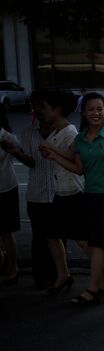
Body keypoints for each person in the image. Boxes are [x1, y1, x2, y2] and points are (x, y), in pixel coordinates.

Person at [43, 93, 104, 305]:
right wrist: (53, 155)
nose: (96, 113)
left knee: (97, 244)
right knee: (102, 244)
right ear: (84, 112)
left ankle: (92, 289)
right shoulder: (79, 139)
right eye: (91, 109)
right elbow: (78, 169)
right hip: (90, 197)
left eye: (99, 109)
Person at [34, 89, 88, 296]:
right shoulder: (56, 131)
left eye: (44, 107)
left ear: (57, 109)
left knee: (83, 240)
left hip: (73, 192)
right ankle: (63, 274)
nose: (40, 111)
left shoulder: (70, 132)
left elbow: (78, 166)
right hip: (60, 191)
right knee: (52, 236)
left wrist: (52, 154)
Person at [14, 90, 58, 288]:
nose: (38, 111)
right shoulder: (28, 133)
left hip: (59, 192)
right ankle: (41, 275)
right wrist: (16, 153)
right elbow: (30, 162)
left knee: (58, 237)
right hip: (37, 193)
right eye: (35, 107)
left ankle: (59, 274)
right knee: (39, 237)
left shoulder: (64, 132)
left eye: (42, 106)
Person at [0, 107, 21, 285]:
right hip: (6, 186)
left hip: (6, 188)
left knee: (7, 232)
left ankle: (13, 268)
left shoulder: (6, 136)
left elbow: (20, 150)